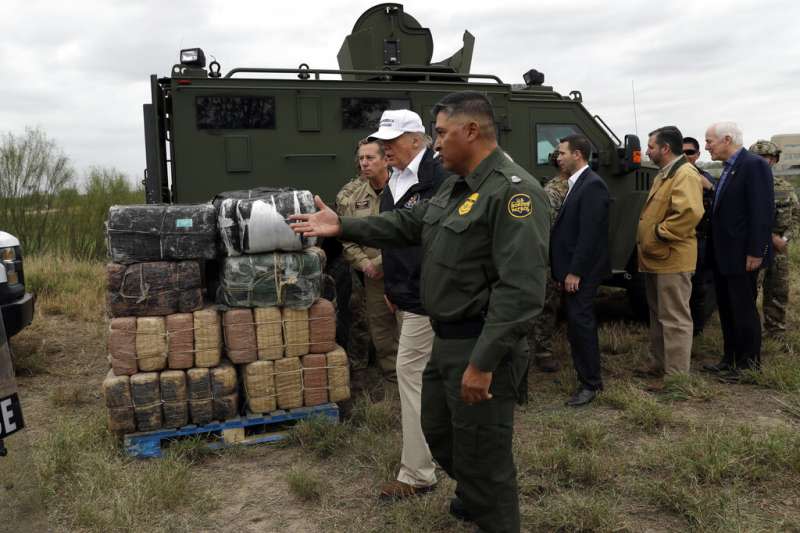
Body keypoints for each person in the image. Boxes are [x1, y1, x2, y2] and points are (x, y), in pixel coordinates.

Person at [290, 91, 549, 533]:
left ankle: (492, 512)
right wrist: (343, 225)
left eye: (442, 134)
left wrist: (484, 364)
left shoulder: (513, 193)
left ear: (472, 131)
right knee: (440, 432)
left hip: (478, 342)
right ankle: (472, 494)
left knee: (486, 454)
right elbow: (408, 224)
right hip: (444, 337)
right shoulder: (457, 184)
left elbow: (520, 292)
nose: (436, 143)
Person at [365, 109, 446, 500]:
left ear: (416, 138)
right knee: (427, 376)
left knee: (410, 372)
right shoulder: (397, 180)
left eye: (390, 141)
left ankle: (417, 473)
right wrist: (393, 286)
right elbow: (397, 239)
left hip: (433, 297)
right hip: (407, 295)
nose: (384, 148)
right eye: (380, 142)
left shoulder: (439, 177)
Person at [702, 122, 774, 381]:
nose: (707, 146)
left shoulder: (753, 166)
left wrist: (756, 251)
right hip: (725, 255)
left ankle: (748, 365)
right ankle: (730, 358)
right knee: (728, 308)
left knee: (743, 309)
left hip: (744, 256)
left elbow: (761, 213)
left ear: (727, 139)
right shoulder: (729, 169)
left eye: (710, 141)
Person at [635, 127, 704, 383]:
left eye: (651, 146)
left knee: (674, 318)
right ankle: (659, 363)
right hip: (657, 258)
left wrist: (659, 233)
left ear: (665, 149)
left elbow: (689, 213)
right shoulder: (664, 173)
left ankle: (676, 377)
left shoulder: (684, 173)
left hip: (672, 258)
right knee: (658, 315)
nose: (647, 151)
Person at [550, 134, 610, 406]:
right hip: (571, 270)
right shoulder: (577, 184)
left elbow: (590, 235)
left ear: (578, 155)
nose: (557, 157)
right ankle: (585, 377)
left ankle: (590, 384)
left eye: (562, 153)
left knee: (581, 324)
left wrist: (575, 272)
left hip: (581, 272)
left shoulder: (592, 186)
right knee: (576, 324)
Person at [336, 139, 399, 384]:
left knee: (410, 324)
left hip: (403, 268)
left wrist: (383, 262)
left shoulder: (404, 189)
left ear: (386, 160)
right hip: (373, 274)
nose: (364, 163)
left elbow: (413, 230)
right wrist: (366, 264)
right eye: (361, 158)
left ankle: (415, 374)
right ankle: (392, 377)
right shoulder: (353, 197)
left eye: (370, 158)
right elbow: (346, 236)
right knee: (380, 328)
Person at [748, 140, 800, 336]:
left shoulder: (785, 188)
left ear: (774, 160)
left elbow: (795, 217)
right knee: (750, 291)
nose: (762, 161)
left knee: (778, 289)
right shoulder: (745, 186)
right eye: (757, 158)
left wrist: (785, 240)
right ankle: (748, 330)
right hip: (754, 248)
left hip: (780, 249)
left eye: (766, 158)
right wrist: (771, 238)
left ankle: (775, 330)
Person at [527, 150, 568, 373]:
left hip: (557, 254)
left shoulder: (568, 185)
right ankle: (541, 351)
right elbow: (546, 224)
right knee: (545, 303)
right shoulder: (555, 189)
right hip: (548, 255)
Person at [683, 136, 717, 336]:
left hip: (700, 239)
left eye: (690, 152)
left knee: (698, 286)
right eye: (683, 152)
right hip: (677, 239)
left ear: (697, 155)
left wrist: (710, 188)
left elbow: (719, 205)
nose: (686, 156)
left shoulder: (706, 178)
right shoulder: (671, 177)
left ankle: (696, 328)